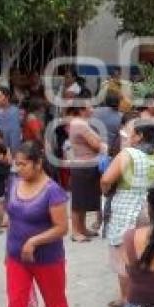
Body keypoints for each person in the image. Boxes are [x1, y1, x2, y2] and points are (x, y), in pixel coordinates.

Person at [0, 142, 69, 307]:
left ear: (38, 164)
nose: (18, 169)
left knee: (54, 301)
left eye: (23, 164)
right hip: (17, 257)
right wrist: (9, 250)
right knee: (16, 302)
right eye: (17, 164)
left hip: (48, 258)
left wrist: (34, 241)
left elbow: (62, 227)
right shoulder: (14, 183)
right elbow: (12, 219)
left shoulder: (53, 190)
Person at [102, 119, 154, 307]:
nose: (129, 137)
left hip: (127, 208)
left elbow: (106, 179)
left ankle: (126, 298)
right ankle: (150, 292)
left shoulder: (128, 155)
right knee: (150, 249)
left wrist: (107, 191)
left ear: (140, 136)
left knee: (123, 252)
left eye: (132, 133)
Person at [68, 96, 107, 242]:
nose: (92, 109)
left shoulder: (82, 123)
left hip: (87, 165)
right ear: (82, 110)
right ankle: (76, 231)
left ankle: (82, 228)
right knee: (78, 201)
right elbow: (96, 144)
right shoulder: (80, 124)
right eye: (90, 107)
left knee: (83, 199)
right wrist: (104, 146)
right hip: (83, 165)